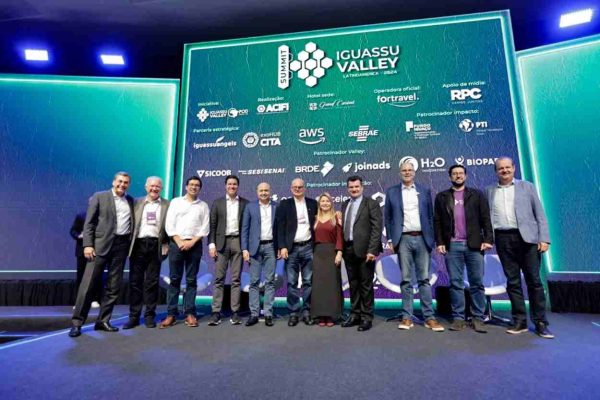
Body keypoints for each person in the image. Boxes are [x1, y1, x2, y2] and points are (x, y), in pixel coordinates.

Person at [485, 157, 553, 339]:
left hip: (528, 239)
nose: (505, 170)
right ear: (496, 171)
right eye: (501, 168)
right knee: (512, 282)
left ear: (514, 168)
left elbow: (540, 213)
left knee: (534, 281)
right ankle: (520, 321)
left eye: (508, 167)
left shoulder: (527, 186)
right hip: (503, 239)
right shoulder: (489, 190)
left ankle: (540, 322)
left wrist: (544, 238)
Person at [69, 172, 134, 337]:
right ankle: (77, 323)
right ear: (113, 182)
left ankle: (103, 321)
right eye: (120, 181)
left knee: (113, 286)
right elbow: (89, 223)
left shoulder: (130, 200)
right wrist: (87, 245)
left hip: (121, 247)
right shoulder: (100, 196)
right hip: (99, 246)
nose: (122, 185)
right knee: (88, 285)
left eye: (126, 182)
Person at [384, 161, 444, 332]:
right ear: (400, 172)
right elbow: (388, 217)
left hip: (422, 238)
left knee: (424, 279)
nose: (407, 172)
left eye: (410, 170)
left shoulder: (424, 190)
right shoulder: (392, 192)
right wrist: (390, 239)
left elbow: (430, 216)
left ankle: (429, 318)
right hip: (402, 239)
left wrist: (431, 238)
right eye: (404, 170)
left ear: (414, 172)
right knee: (406, 280)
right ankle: (407, 317)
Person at [434, 165, 493, 333]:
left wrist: (488, 239)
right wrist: (440, 242)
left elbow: (486, 218)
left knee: (477, 283)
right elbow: (437, 221)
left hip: (474, 244)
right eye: (454, 174)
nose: (458, 176)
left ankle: (478, 318)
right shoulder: (442, 197)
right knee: (455, 283)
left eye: (461, 173)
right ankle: (458, 318)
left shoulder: (477, 195)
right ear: (450, 177)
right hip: (452, 245)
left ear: (465, 176)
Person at [160, 176, 210, 329]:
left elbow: (205, 228)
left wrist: (191, 242)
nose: (194, 187)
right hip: (176, 244)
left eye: (197, 185)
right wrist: (179, 241)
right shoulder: (176, 202)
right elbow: (169, 224)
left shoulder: (203, 206)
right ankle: (171, 314)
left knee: (191, 280)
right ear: (186, 186)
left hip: (194, 245)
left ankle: (190, 313)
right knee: (174, 279)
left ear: (200, 188)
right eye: (191, 184)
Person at [123, 177, 170, 330]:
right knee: (135, 282)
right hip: (138, 245)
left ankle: (150, 316)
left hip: (156, 245)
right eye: (151, 186)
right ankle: (134, 316)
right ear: (146, 187)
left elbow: (170, 226)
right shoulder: (136, 202)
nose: (154, 189)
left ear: (161, 188)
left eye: (157, 186)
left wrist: (166, 244)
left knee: (152, 282)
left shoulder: (167, 204)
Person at [340, 176, 383, 332]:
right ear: (348, 188)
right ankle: (355, 314)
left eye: (357, 186)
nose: (354, 189)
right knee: (353, 284)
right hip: (348, 249)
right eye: (351, 187)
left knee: (365, 285)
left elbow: (377, 228)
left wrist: (372, 250)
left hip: (366, 251)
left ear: (362, 187)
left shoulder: (371, 203)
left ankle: (366, 317)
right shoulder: (345, 204)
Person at [207, 175, 249, 326]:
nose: (232, 186)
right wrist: (211, 245)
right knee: (219, 278)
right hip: (221, 244)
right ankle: (216, 312)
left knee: (236, 279)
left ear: (238, 186)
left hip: (238, 242)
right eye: (229, 184)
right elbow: (212, 225)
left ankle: (235, 312)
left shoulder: (245, 203)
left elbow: (247, 227)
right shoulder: (217, 203)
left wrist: (246, 247)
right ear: (225, 186)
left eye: (234, 184)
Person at [276, 178, 318, 326]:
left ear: (304, 188)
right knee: (292, 283)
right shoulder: (284, 204)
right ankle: (293, 313)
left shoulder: (313, 203)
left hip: (308, 247)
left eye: (300, 187)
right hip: (291, 249)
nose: (298, 189)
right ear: (291, 189)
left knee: (308, 282)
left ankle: (307, 312)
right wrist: (282, 246)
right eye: (295, 187)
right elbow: (279, 227)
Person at [241, 182, 278, 327]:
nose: (263, 193)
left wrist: (280, 247)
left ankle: (268, 313)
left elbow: (280, 229)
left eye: (266, 190)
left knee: (270, 281)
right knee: (254, 282)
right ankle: (254, 314)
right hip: (254, 249)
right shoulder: (250, 207)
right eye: (261, 190)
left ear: (270, 191)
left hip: (271, 247)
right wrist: (244, 249)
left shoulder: (276, 206)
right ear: (257, 192)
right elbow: (245, 229)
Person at [311, 192, 343, 327]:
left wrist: (339, 253)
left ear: (331, 203)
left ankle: (331, 315)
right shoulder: (315, 218)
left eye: (327, 201)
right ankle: (320, 315)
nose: (325, 203)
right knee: (319, 286)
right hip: (318, 253)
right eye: (323, 201)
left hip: (332, 252)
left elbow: (340, 236)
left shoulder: (336, 217)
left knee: (331, 285)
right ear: (319, 203)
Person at [70, 207, 101, 309]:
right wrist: (79, 235)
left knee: (96, 275)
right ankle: (79, 301)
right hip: (81, 250)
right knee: (81, 277)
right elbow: (73, 231)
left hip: (97, 250)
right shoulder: (81, 215)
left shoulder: (101, 216)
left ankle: (94, 299)